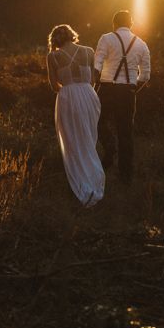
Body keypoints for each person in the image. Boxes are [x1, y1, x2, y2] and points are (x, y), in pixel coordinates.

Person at [46, 24, 105, 206]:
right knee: (88, 136)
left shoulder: (53, 57)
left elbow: (53, 86)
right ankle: (93, 174)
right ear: (72, 36)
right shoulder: (88, 51)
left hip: (68, 97)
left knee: (72, 138)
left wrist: (69, 86)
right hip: (89, 95)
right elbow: (94, 79)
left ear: (55, 40)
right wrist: (84, 90)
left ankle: (82, 179)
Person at [94, 10, 151, 184]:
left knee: (96, 121)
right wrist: (133, 89)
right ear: (131, 24)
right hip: (128, 92)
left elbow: (96, 66)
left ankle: (109, 145)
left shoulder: (106, 38)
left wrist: (95, 84)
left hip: (107, 88)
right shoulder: (142, 44)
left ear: (114, 23)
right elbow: (146, 75)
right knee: (125, 133)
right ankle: (125, 176)